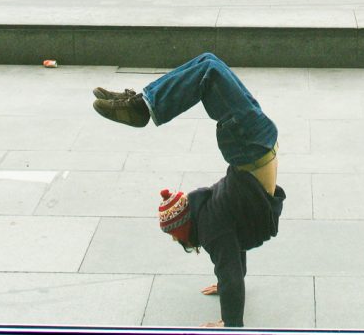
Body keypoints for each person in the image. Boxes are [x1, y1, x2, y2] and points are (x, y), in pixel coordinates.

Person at [92, 52, 286, 328]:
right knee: (208, 68)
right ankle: (142, 105)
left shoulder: (213, 227)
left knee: (209, 63)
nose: (174, 241)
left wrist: (230, 324)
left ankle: (141, 107)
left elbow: (231, 265)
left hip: (252, 146)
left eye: (173, 235)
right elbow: (234, 252)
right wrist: (225, 283)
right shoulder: (210, 214)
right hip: (250, 144)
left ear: (185, 229)